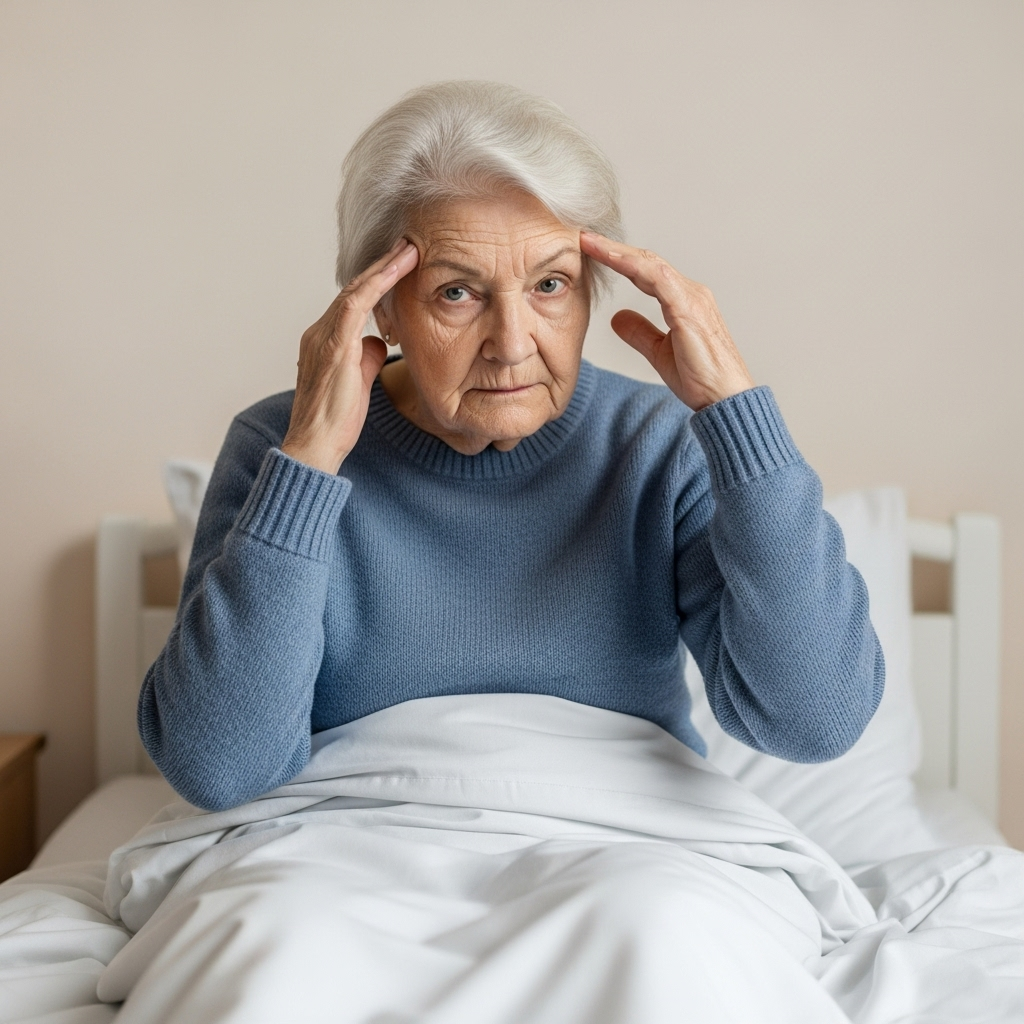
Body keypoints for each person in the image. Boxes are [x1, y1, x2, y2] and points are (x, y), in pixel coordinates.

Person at [139, 81, 883, 811]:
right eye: (457, 292)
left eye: (551, 285)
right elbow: (219, 770)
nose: (512, 345)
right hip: (356, 844)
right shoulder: (280, 445)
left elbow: (813, 721)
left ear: (595, 287)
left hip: (625, 847)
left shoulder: (661, 445)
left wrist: (737, 416)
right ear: (382, 309)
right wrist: (307, 464)